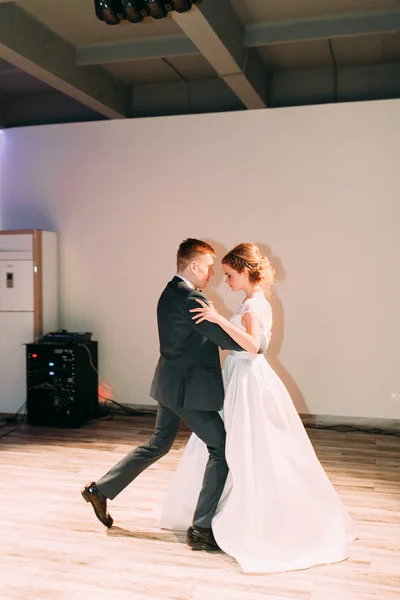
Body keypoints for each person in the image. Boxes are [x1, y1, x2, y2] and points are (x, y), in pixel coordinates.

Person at [158, 243, 357, 574]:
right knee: (238, 445)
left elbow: (253, 346)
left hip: (248, 376)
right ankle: (211, 517)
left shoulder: (252, 304)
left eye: (230, 275)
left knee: (245, 446)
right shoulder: (254, 301)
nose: (226, 280)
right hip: (241, 374)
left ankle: (235, 518)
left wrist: (219, 319)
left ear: (246, 272)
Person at [81, 238, 247, 551]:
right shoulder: (192, 299)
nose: (211, 274)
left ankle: (100, 490)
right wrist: (254, 342)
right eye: (209, 267)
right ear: (195, 265)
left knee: (157, 445)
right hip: (186, 390)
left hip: (169, 385)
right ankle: (200, 529)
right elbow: (226, 340)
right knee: (222, 448)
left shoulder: (169, 292)